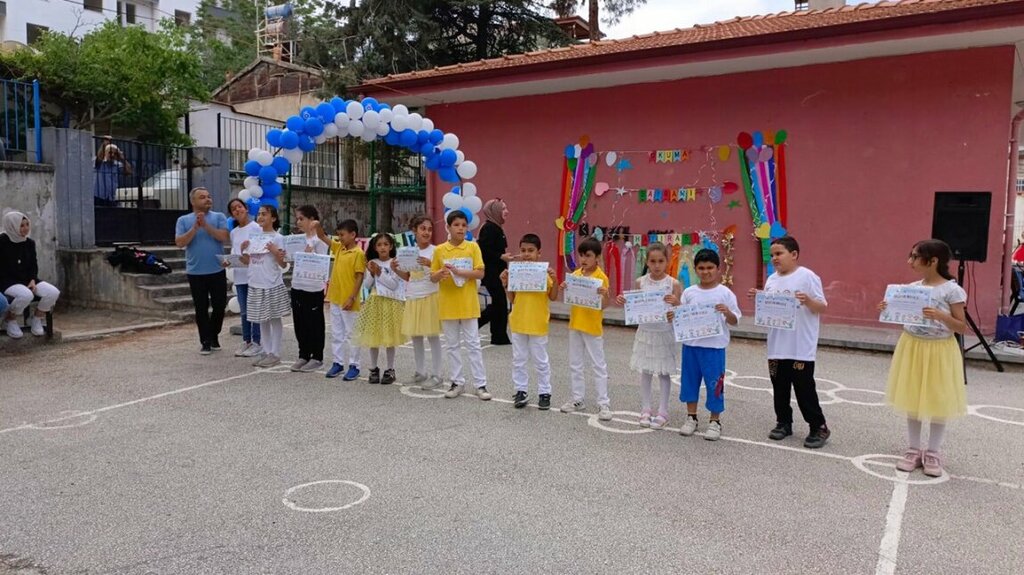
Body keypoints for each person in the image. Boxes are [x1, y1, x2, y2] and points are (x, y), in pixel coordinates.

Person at [879, 239, 967, 477]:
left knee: (938, 399)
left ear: (933, 261)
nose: (911, 261)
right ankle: (913, 449)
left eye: (915, 257)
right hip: (912, 346)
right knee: (913, 398)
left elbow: (962, 327)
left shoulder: (952, 290)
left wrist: (941, 315)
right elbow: (905, 316)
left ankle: (934, 452)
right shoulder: (912, 288)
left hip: (939, 349)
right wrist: (888, 308)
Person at [748, 235, 831, 449]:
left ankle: (818, 426)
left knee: (804, 388)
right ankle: (784, 422)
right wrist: (760, 297)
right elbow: (770, 307)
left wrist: (808, 300)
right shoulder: (772, 279)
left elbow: (821, 306)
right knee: (780, 387)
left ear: (794, 254)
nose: (774, 258)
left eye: (779, 254)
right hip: (777, 344)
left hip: (800, 346)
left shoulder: (807, 276)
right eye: (772, 255)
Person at [673, 248, 741, 441]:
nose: (706, 272)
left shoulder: (725, 293)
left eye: (710, 267)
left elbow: (735, 320)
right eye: (701, 268)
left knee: (715, 385)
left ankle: (715, 421)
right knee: (689, 383)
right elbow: (682, 318)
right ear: (696, 269)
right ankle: (691, 417)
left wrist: (727, 312)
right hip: (691, 346)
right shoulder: (689, 292)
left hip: (714, 348)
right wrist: (674, 315)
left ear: (718, 269)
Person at [616, 242, 681, 430]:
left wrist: (676, 303)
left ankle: (663, 411)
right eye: (653, 261)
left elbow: (681, 311)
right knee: (645, 371)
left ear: (667, 261)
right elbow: (635, 305)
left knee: (663, 372)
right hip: (645, 331)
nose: (657, 265)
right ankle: (645, 409)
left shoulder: (673, 283)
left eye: (661, 261)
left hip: (663, 332)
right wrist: (624, 301)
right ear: (647, 262)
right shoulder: (640, 282)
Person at [431, 210, 491, 400]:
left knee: (473, 344)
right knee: (452, 345)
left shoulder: (472, 247)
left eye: (464, 225)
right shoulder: (439, 250)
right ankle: (457, 382)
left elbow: (480, 273)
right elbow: (432, 276)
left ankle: (480, 384)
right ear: (448, 227)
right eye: (456, 225)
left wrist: (459, 272)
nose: (460, 228)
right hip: (448, 304)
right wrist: (441, 274)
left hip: (468, 303)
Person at [500, 233, 559, 410]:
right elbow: (512, 299)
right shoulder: (516, 272)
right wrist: (505, 283)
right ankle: (521, 390)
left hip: (538, 323)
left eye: (531, 251)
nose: (526, 254)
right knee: (519, 360)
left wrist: (555, 280)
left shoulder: (544, 274)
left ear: (539, 253)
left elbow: (554, 296)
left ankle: (544, 392)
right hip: (518, 322)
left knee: (541, 361)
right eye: (523, 250)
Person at [559, 237, 612, 421]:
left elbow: (604, 305)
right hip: (575, 325)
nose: (584, 259)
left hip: (592, 327)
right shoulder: (575, 275)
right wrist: (565, 287)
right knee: (575, 364)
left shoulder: (601, 277)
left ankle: (603, 402)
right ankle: (577, 399)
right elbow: (569, 296)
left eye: (588, 255)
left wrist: (605, 295)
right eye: (581, 255)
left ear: (597, 257)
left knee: (598, 365)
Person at [175, 188, 229, 354]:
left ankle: (214, 334)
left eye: (209, 196)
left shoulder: (219, 217)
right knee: (201, 308)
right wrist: (195, 229)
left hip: (217, 269)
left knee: (220, 306)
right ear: (193, 202)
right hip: (196, 271)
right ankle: (205, 341)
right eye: (202, 197)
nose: (207, 199)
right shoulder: (183, 220)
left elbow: (223, 237)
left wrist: (206, 226)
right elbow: (180, 242)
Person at [392, 215, 444, 388]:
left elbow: (440, 273)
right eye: (423, 228)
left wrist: (430, 263)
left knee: (433, 336)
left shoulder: (436, 251)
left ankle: (437, 374)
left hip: (430, 295)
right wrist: (395, 269)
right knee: (416, 336)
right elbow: (408, 276)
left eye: (429, 229)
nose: (427, 232)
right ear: (414, 230)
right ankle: (420, 371)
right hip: (413, 295)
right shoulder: (408, 251)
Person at [312, 219, 365, 380]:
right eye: (338, 234)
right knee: (337, 333)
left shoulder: (358, 253)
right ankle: (338, 362)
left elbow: (359, 277)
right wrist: (318, 226)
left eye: (342, 235)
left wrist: (352, 297)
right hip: (335, 297)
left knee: (351, 333)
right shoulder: (339, 248)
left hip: (348, 300)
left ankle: (354, 365)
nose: (339, 238)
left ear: (353, 234)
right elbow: (322, 237)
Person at [240, 205, 289, 368]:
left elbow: (283, 264)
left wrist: (275, 251)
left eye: (264, 214)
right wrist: (242, 252)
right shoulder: (254, 237)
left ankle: (275, 353)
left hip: (271, 283)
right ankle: (266, 351)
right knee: (261, 319)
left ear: (273, 218)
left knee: (274, 318)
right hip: (255, 283)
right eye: (259, 214)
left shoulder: (277, 237)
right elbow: (249, 262)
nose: (260, 217)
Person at [354, 233, 407, 384]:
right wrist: (371, 272)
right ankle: (373, 368)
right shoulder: (372, 262)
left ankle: (390, 369)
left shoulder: (395, 263)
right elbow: (367, 285)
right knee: (374, 337)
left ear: (391, 246)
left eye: (385, 244)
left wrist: (379, 272)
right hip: (375, 302)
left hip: (391, 303)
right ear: (375, 248)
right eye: (379, 245)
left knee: (390, 338)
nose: (382, 247)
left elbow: (393, 284)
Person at [1, 211, 60, 338]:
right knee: (25, 295)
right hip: (8, 281)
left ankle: (37, 318)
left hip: (28, 279)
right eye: (21, 225)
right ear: (12, 226)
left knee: (53, 292)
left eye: (27, 224)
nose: (25, 228)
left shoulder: (29, 243)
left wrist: (33, 279)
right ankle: (10, 319)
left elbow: (33, 264)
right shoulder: (2, 242)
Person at [288, 205, 330, 373]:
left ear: (312, 220)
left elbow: (320, 261)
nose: (298, 222)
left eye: (301, 219)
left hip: (313, 287)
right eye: (297, 219)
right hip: (298, 285)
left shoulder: (320, 240)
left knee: (314, 323)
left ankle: (317, 356)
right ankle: (303, 354)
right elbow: (292, 259)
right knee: (300, 322)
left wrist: (310, 247)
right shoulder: (296, 239)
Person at [225, 199, 262, 358]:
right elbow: (236, 252)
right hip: (240, 276)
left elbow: (260, 250)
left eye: (239, 207)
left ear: (246, 209)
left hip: (254, 275)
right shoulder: (234, 232)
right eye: (233, 209)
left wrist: (246, 251)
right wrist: (229, 261)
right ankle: (246, 340)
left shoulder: (256, 228)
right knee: (245, 312)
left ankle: (258, 342)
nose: (237, 210)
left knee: (255, 310)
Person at [477, 199, 512, 345]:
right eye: (503, 208)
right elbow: (483, 249)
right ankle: (484, 328)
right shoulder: (489, 228)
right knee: (500, 304)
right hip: (491, 273)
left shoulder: (496, 227)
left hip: (498, 271)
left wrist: (504, 257)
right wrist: (500, 256)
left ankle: (498, 336)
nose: (506, 211)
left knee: (500, 304)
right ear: (496, 211)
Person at [94, 142, 131, 207]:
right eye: (110, 153)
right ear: (105, 153)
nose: (113, 155)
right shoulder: (100, 164)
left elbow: (129, 171)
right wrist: (104, 144)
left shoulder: (117, 165)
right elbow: (99, 157)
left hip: (111, 198)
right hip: (98, 198)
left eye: (115, 153)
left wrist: (122, 158)